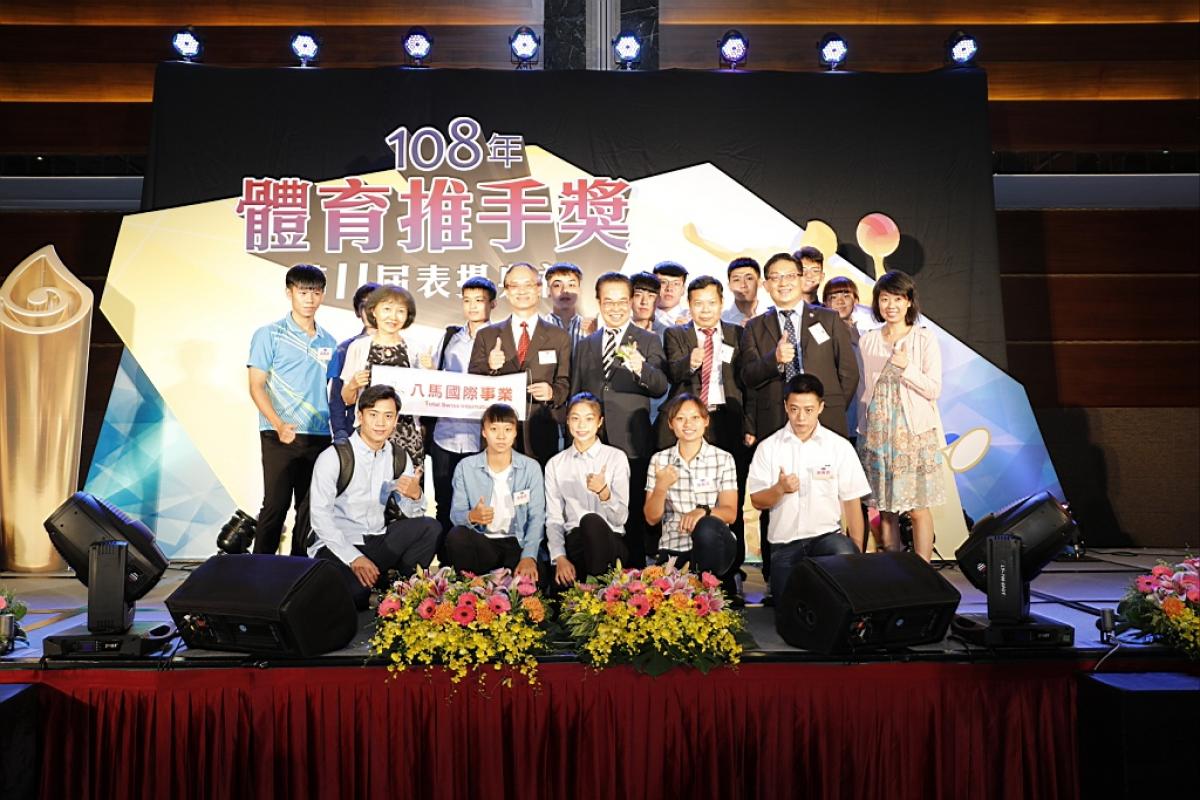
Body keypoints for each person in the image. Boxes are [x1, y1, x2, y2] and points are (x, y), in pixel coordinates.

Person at [740, 252, 858, 592]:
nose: (783, 283)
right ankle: (774, 577)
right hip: (776, 421)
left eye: (789, 275)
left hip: (825, 422)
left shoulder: (829, 319)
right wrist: (774, 360)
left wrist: (823, 410)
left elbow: (848, 372)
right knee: (775, 495)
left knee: (832, 492)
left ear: (802, 278)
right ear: (766, 285)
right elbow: (748, 376)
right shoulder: (755, 327)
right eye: (775, 277)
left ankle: (841, 574)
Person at [308, 385, 440, 609]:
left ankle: (400, 590)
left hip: (377, 538)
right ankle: (366, 585)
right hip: (337, 544)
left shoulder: (399, 456)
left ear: (395, 420)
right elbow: (320, 519)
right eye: (373, 414)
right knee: (354, 596)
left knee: (430, 528)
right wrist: (354, 557)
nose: (381, 423)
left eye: (388, 416)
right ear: (360, 416)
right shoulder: (333, 457)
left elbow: (412, 514)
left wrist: (416, 496)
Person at [662, 276, 750, 601]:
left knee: (730, 495)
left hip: (727, 420)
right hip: (691, 421)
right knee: (688, 494)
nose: (705, 309)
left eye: (711, 302)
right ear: (689, 305)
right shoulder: (676, 334)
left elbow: (745, 382)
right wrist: (690, 362)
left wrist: (748, 425)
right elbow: (672, 373)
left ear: (721, 303)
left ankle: (731, 569)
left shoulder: (738, 334)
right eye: (698, 303)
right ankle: (688, 565)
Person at [571, 272, 668, 567]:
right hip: (592, 441)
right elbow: (576, 392)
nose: (615, 308)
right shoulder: (586, 344)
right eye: (608, 301)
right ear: (598, 302)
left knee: (632, 512)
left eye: (622, 301)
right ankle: (595, 573)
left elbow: (660, 386)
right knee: (592, 508)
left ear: (631, 302)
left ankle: (633, 577)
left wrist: (641, 367)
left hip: (631, 441)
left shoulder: (648, 340)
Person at [747, 375, 869, 601]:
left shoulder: (839, 447)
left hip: (826, 540)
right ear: (785, 406)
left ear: (821, 407)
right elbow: (757, 501)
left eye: (809, 410)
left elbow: (852, 503)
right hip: (784, 546)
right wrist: (779, 489)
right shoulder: (768, 447)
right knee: (789, 609)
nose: (801, 417)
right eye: (794, 409)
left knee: (842, 553)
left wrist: (856, 554)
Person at [247, 264, 337, 556]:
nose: (310, 299)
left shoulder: (330, 341)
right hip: (279, 434)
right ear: (289, 293)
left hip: (318, 435)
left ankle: (298, 571)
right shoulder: (269, 334)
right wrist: (278, 423)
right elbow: (256, 386)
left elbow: (335, 391)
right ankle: (258, 570)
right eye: (303, 292)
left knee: (309, 510)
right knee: (275, 506)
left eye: (316, 292)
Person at [857, 270, 944, 561]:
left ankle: (923, 572)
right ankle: (892, 571)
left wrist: (906, 367)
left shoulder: (924, 338)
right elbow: (864, 389)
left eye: (898, 298)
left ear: (909, 302)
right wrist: (863, 428)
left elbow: (933, 389)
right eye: (884, 299)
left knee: (918, 508)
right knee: (885, 509)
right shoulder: (868, 340)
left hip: (913, 433)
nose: (891, 305)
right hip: (878, 432)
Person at [469, 262, 571, 467]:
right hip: (499, 430)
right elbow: (473, 384)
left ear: (539, 289)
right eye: (515, 286)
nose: (522, 291)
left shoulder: (558, 336)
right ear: (506, 291)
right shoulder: (487, 335)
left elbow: (565, 382)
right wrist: (490, 367)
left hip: (541, 429)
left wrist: (552, 392)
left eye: (528, 285)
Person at [425, 276, 497, 537]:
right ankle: (445, 558)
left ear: (493, 304)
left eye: (479, 300)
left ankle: (475, 559)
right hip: (446, 434)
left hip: (481, 437)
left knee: (480, 504)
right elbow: (435, 377)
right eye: (467, 301)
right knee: (444, 503)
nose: (473, 306)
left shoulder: (500, 338)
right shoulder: (450, 337)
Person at [446, 403, 545, 581]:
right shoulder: (466, 467)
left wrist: (529, 556)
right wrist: (472, 516)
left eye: (507, 429)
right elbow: (456, 515)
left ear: (515, 432)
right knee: (457, 536)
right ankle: (471, 587)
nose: (501, 436)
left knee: (534, 581)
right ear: (484, 432)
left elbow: (537, 517)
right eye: (494, 429)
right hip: (484, 542)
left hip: (517, 543)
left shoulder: (530, 468)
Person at [644, 395, 739, 579]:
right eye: (680, 418)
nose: (688, 424)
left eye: (695, 417)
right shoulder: (660, 460)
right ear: (671, 424)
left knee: (706, 527)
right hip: (674, 546)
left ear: (706, 421)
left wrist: (703, 512)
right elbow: (651, 518)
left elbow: (730, 513)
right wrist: (661, 486)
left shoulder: (723, 458)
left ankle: (713, 582)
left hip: (714, 544)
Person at [544, 393, 631, 586]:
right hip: (575, 543)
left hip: (611, 541)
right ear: (567, 421)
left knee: (591, 521)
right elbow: (554, 518)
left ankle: (596, 593)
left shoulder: (616, 458)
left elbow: (620, 519)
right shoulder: (556, 464)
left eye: (589, 419)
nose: (581, 425)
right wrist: (559, 557)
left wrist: (604, 493)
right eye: (575, 418)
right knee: (561, 582)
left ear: (599, 422)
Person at [339, 284, 426, 469]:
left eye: (400, 311)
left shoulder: (416, 349)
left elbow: (427, 398)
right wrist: (353, 384)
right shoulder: (358, 347)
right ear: (373, 311)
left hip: (406, 434)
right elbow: (347, 399)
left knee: (407, 485)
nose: (393, 317)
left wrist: (430, 371)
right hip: (369, 435)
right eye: (387, 309)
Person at [328, 281, 379, 440]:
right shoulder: (346, 348)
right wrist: (340, 432)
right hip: (356, 430)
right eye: (365, 305)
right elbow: (336, 396)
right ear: (358, 311)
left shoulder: (402, 347)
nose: (370, 311)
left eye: (375, 305)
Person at [542, 262, 596, 349]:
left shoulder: (591, 328)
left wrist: (595, 336)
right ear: (548, 291)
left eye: (571, 285)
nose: (565, 290)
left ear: (579, 290)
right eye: (557, 285)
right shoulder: (538, 327)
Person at [821, 276, 878, 345]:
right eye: (834, 297)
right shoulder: (818, 329)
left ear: (855, 300)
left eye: (846, 296)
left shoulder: (868, 326)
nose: (840, 302)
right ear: (825, 303)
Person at [722, 256, 762, 327]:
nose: (743, 285)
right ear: (729, 286)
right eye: (736, 280)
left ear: (759, 282)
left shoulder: (774, 316)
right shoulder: (721, 319)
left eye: (749, 278)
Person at [652, 261, 691, 327]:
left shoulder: (693, 320)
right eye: (663, 282)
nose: (669, 288)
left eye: (676, 283)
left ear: (683, 289)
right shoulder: (638, 316)